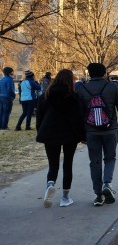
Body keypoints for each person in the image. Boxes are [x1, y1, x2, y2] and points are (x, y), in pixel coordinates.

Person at [77, 62, 118, 206]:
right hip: (110, 129)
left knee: (95, 162)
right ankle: (107, 183)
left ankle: (98, 194)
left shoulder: (82, 89)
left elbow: (79, 113)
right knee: (110, 158)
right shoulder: (113, 87)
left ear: (89, 73)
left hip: (91, 131)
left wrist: (82, 134)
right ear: (104, 73)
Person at [36, 69, 85, 207]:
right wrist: (82, 135)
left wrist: (40, 132)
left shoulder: (45, 96)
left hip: (49, 133)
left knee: (53, 164)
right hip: (69, 134)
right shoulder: (73, 97)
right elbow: (78, 118)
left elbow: (39, 117)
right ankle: (65, 197)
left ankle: (50, 184)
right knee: (68, 164)